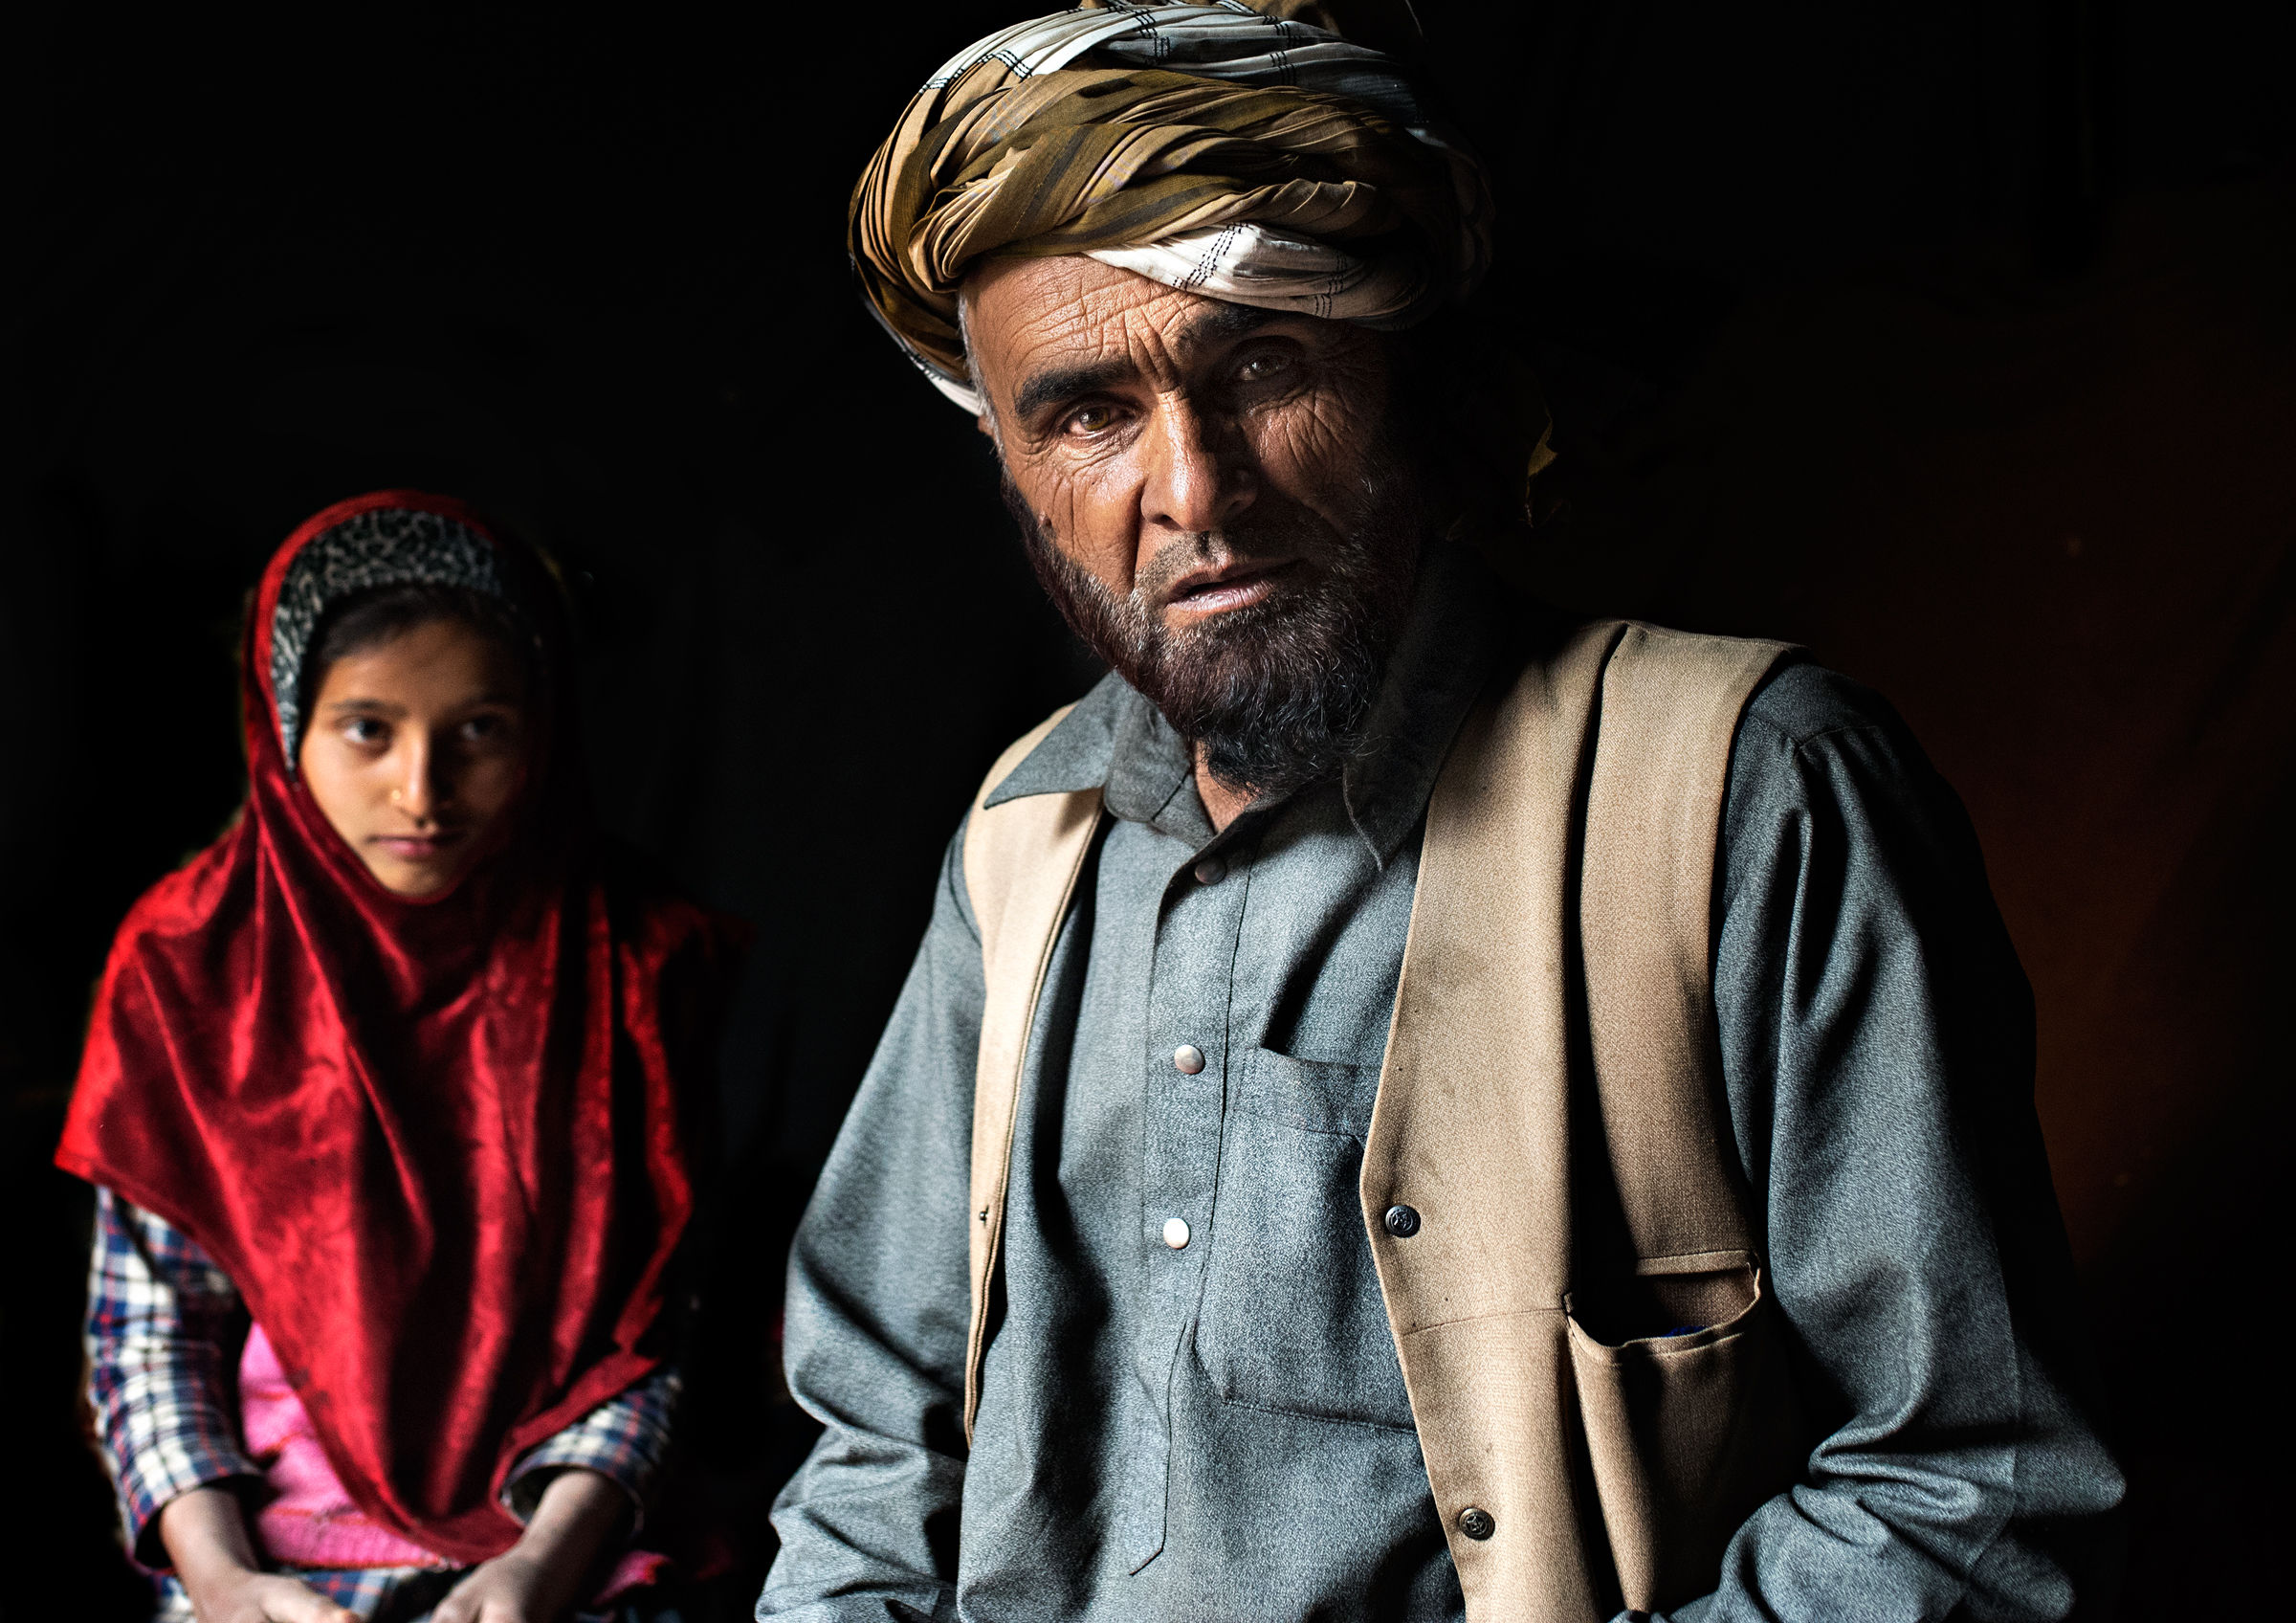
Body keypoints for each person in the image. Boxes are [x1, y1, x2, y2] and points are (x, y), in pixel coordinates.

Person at [760, 5, 2124, 1622]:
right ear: (1017, 474)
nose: (1193, 489)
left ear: (1407, 380)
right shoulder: (1022, 838)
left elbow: (1972, 1489)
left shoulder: (1750, 793)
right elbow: (876, 1450)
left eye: (1262, 365)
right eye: (1088, 415)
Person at [58, 491, 731, 1623]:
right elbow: (150, 1326)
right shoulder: (188, 967)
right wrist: (221, 1581)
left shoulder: (631, 959)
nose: (422, 792)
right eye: (367, 728)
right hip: (267, 1565)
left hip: (558, 1550)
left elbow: (654, 1326)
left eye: (479, 730)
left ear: (544, 729)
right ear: (282, 729)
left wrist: (539, 1567)